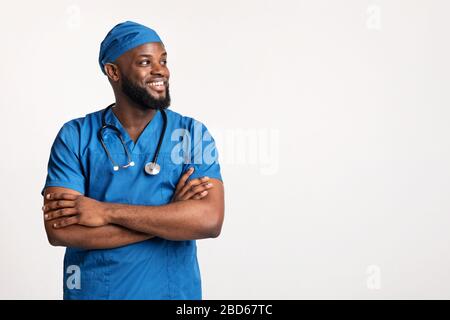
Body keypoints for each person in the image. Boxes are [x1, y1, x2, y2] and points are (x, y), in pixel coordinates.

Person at [41, 21, 224, 300]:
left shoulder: (191, 134)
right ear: (113, 71)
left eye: (163, 60)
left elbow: (209, 221)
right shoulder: (75, 136)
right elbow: (60, 231)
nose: (160, 69)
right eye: (145, 62)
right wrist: (171, 216)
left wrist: (105, 212)